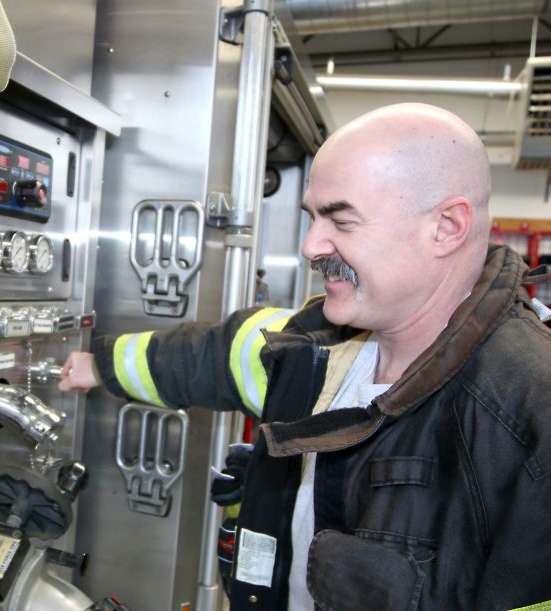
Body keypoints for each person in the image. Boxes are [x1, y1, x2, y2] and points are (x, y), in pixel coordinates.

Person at [59, 103, 551, 610]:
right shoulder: (312, 342)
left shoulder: (529, 418)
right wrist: (94, 364)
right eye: (312, 218)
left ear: (447, 227)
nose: (311, 245)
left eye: (341, 220)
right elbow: (205, 356)